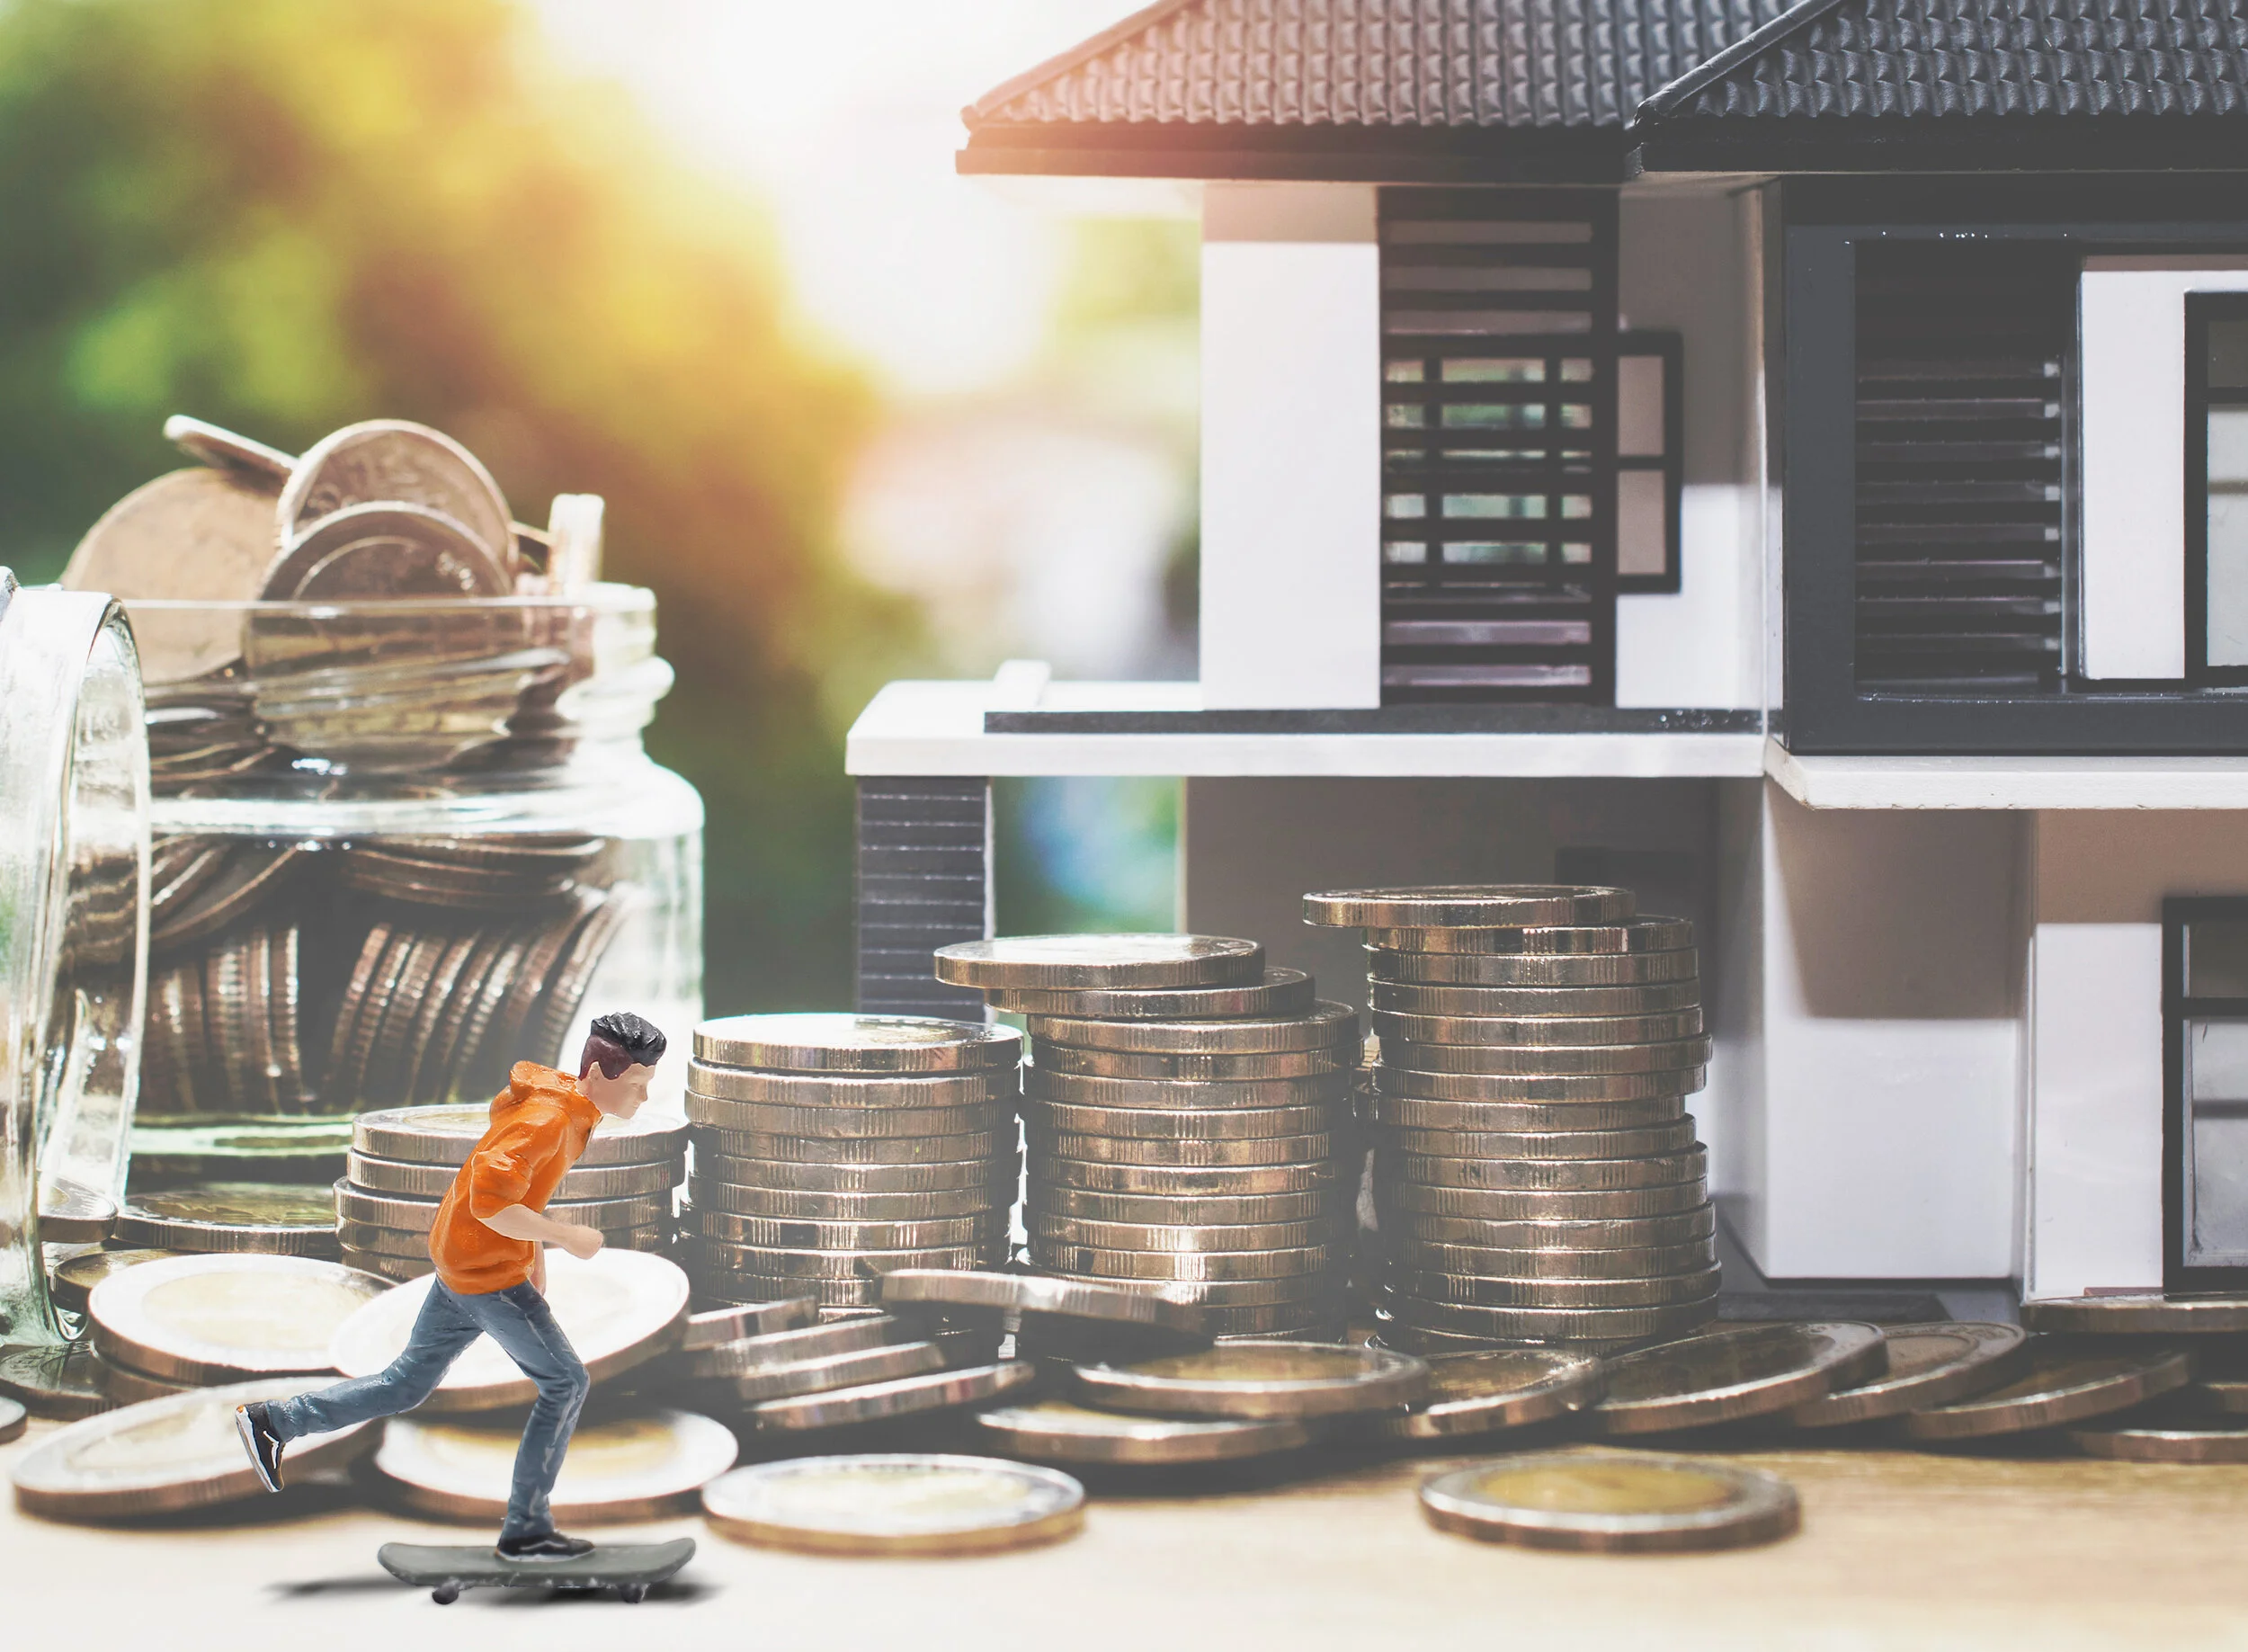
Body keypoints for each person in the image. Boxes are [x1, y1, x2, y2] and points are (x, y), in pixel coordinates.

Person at [234, 1010, 667, 1560]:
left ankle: (275, 1421)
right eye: (638, 1085)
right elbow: (489, 1203)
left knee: (404, 1384)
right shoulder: (547, 1120)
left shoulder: (572, 1110)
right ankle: (527, 1529)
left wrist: (535, 1256)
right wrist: (565, 1237)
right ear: (603, 1074)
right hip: (486, 1276)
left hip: (466, 1268)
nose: (644, 1099)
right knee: (567, 1384)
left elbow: (519, 1194)